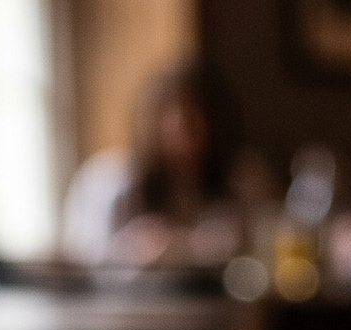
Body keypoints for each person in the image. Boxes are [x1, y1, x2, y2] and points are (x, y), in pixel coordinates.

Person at [63, 63, 257, 270]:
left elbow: (259, 245)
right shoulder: (111, 182)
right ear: (153, 118)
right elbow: (82, 260)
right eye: (184, 116)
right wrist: (131, 248)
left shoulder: (240, 181)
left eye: (205, 113)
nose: (194, 126)